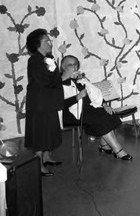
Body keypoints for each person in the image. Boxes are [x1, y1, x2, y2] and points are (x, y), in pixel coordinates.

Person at [60, 55, 132, 161]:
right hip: (71, 114)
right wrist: (78, 97)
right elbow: (60, 104)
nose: (74, 67)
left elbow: (95, 94)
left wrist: (105, 105)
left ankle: (104, 145)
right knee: (99, 118)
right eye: (70, 65)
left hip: (90, 109)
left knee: (109, 113)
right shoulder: (58, 83)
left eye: (75, 64)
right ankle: (118, 150)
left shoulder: (80, 80)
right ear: (63, 67)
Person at [25, 29, 65, 177]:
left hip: (49, 102)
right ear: (37, 44)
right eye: (46, 41)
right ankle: (39, 164)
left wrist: (61, 75)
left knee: (49, 130)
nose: (50, 43)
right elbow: (45, 81)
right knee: (40, 133)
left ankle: (47, 157)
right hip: (39, 104)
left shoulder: (49, 58)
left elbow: (53, 78)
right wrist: (63, 77)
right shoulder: (34, 60)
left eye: (50, 40)